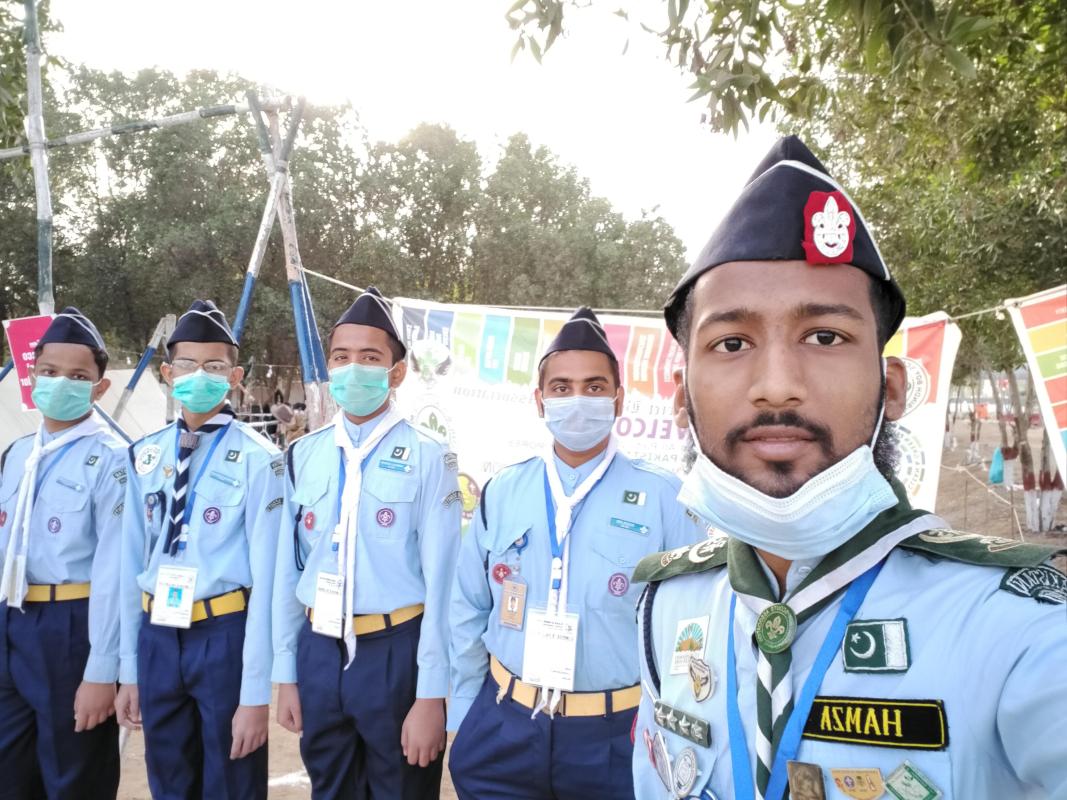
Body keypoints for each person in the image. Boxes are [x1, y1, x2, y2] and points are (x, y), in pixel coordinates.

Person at [631, 136, 1067, 800]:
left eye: (824, 337)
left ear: (890, 386)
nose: (776, 386)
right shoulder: (666, 603)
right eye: (731, 342)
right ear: (680, 393)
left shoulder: (1016, 624)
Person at [448, 306, 704, 800]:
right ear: (540, 401)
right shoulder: (504, 490)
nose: (577, 400)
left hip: (614, 737)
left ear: (618, 398)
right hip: (504, 722)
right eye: (562, 388)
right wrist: (466, 712)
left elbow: (694, 630)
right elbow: (468, 606)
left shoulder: (665, 498)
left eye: (593, 387)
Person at [272, 286, 460, 799]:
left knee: (401, 788)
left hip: (394, 653)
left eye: (370, 357)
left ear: (396, 372)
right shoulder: (302, 455)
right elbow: (288, 573)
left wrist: (431, 694)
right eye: (341, 357)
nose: (354, 369)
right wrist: (287, 671)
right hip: (319, 648)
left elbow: (443, 585)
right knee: (329, 787)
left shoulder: (429, 457)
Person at [115, 299, 284, 799]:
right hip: (157, 637)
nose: (200, 375)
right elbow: (129, 566)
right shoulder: (143, 456)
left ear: (234, 376)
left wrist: (255, 693)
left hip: (222, 635)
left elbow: (270, 581)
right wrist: (129, 669)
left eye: (214, 366)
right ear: (167, 373)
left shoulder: (262, 461)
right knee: (168, 777)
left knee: (231, 781)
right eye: (187, 365)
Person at [0, 307, 126, 799]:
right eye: (49, 372)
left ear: (100, 387)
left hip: (71, 627)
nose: (61, 384)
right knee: (10, 773)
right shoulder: (15, 455)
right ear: (32, 376)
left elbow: (116, 569)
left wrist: (101, 671)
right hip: (12, 621)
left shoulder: (113, 459)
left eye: (78, 376)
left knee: (74, 774)